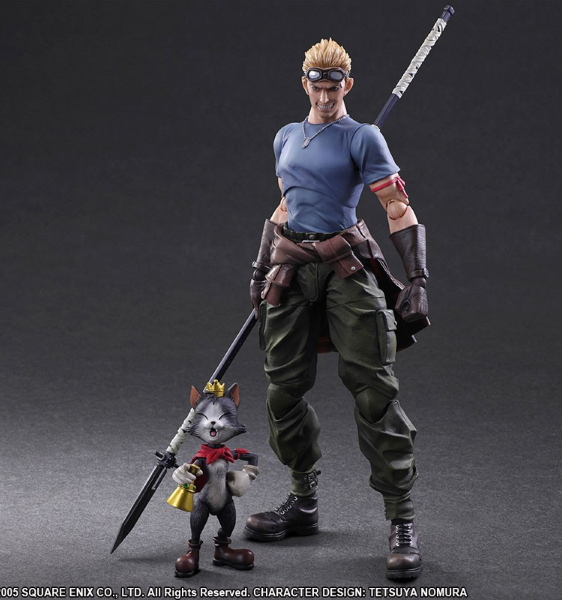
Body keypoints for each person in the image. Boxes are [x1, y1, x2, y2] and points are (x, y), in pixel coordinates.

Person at [245, 38, 429, 580]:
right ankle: (303, 501)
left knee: (374, 390)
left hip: (344, 265)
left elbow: (396, 204)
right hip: (291, 269)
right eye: (317, 87)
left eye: (334, 87)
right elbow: (285, 204)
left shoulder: (363, 136)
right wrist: (260, 267)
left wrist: (417, 277)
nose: (325, 97)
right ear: (305, 84)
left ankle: (401, 519)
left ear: (347, 85)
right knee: (282, 389)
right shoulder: (286, 135)